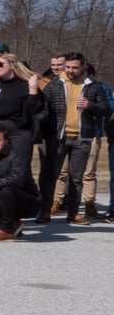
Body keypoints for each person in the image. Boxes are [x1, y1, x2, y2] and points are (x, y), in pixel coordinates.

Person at [42, 53, 110, 224]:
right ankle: (45, 211)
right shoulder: (54, 85)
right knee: (52, 175)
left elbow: (106, 109)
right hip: (58, 137)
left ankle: (73, 214)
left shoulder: (93, 86)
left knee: (76, 178)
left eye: (74, 68)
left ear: (82, 68)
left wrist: (90, 105)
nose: (70, 71)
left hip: (82, 138)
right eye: (68, 67)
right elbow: (44, 110)